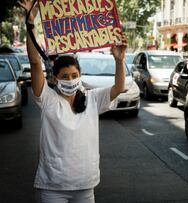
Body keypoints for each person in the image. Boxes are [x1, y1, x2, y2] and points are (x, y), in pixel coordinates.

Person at [19, 0, 128, 202]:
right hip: (53, 186)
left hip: (85, 185)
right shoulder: (48, 98)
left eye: (74, 75)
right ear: (55, 79)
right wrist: (30, 23)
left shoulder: (92, 98)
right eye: (65, 76)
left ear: (80, 75)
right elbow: (35, 62)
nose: (71, 79)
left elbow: (118, 88)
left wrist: (120, 61)